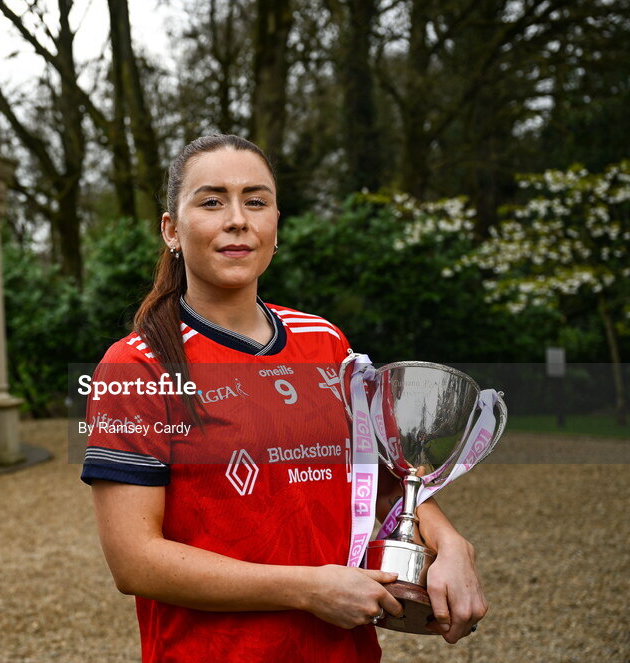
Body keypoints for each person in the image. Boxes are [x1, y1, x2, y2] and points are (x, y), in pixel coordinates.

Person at [80, 134, 487, 662]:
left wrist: (451, 544)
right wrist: (309, 589)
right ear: (171, 230)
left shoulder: (326, 342)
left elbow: (384, 485)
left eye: (255, 200)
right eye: (211, 201)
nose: (236, 219)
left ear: (276, 224)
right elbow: (135, 561)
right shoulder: (136, 367)